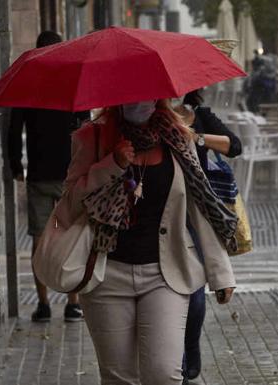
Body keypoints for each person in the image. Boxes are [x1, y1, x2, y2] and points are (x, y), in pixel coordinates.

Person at [55, 98, 237, 385]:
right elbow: (68, 206)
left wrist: (220, 273)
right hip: (106, 275)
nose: (139, 101)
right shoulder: (93, 136)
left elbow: (200, 208)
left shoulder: (178, 138)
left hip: (166, 273)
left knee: (163, 374)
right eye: (129, 95)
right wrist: (110, 165)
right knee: (119, 378)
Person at [7, 30, 90, 322]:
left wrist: (16, 164)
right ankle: (74, 302)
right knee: (72, 236)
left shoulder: (27, 84)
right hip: (71, 176)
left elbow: (14, 129)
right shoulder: (74, 84)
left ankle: (43, 304)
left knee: (40, 240)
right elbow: (87, 129)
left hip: (40, 176)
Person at [179, 89, 242, 383]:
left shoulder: (200, 116)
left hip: (197, 209)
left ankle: (189, 346)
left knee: (193, 285)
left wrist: (197, 138)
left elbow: (234, 145)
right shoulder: (149, 119)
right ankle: (174, 354)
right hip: (159, 211)